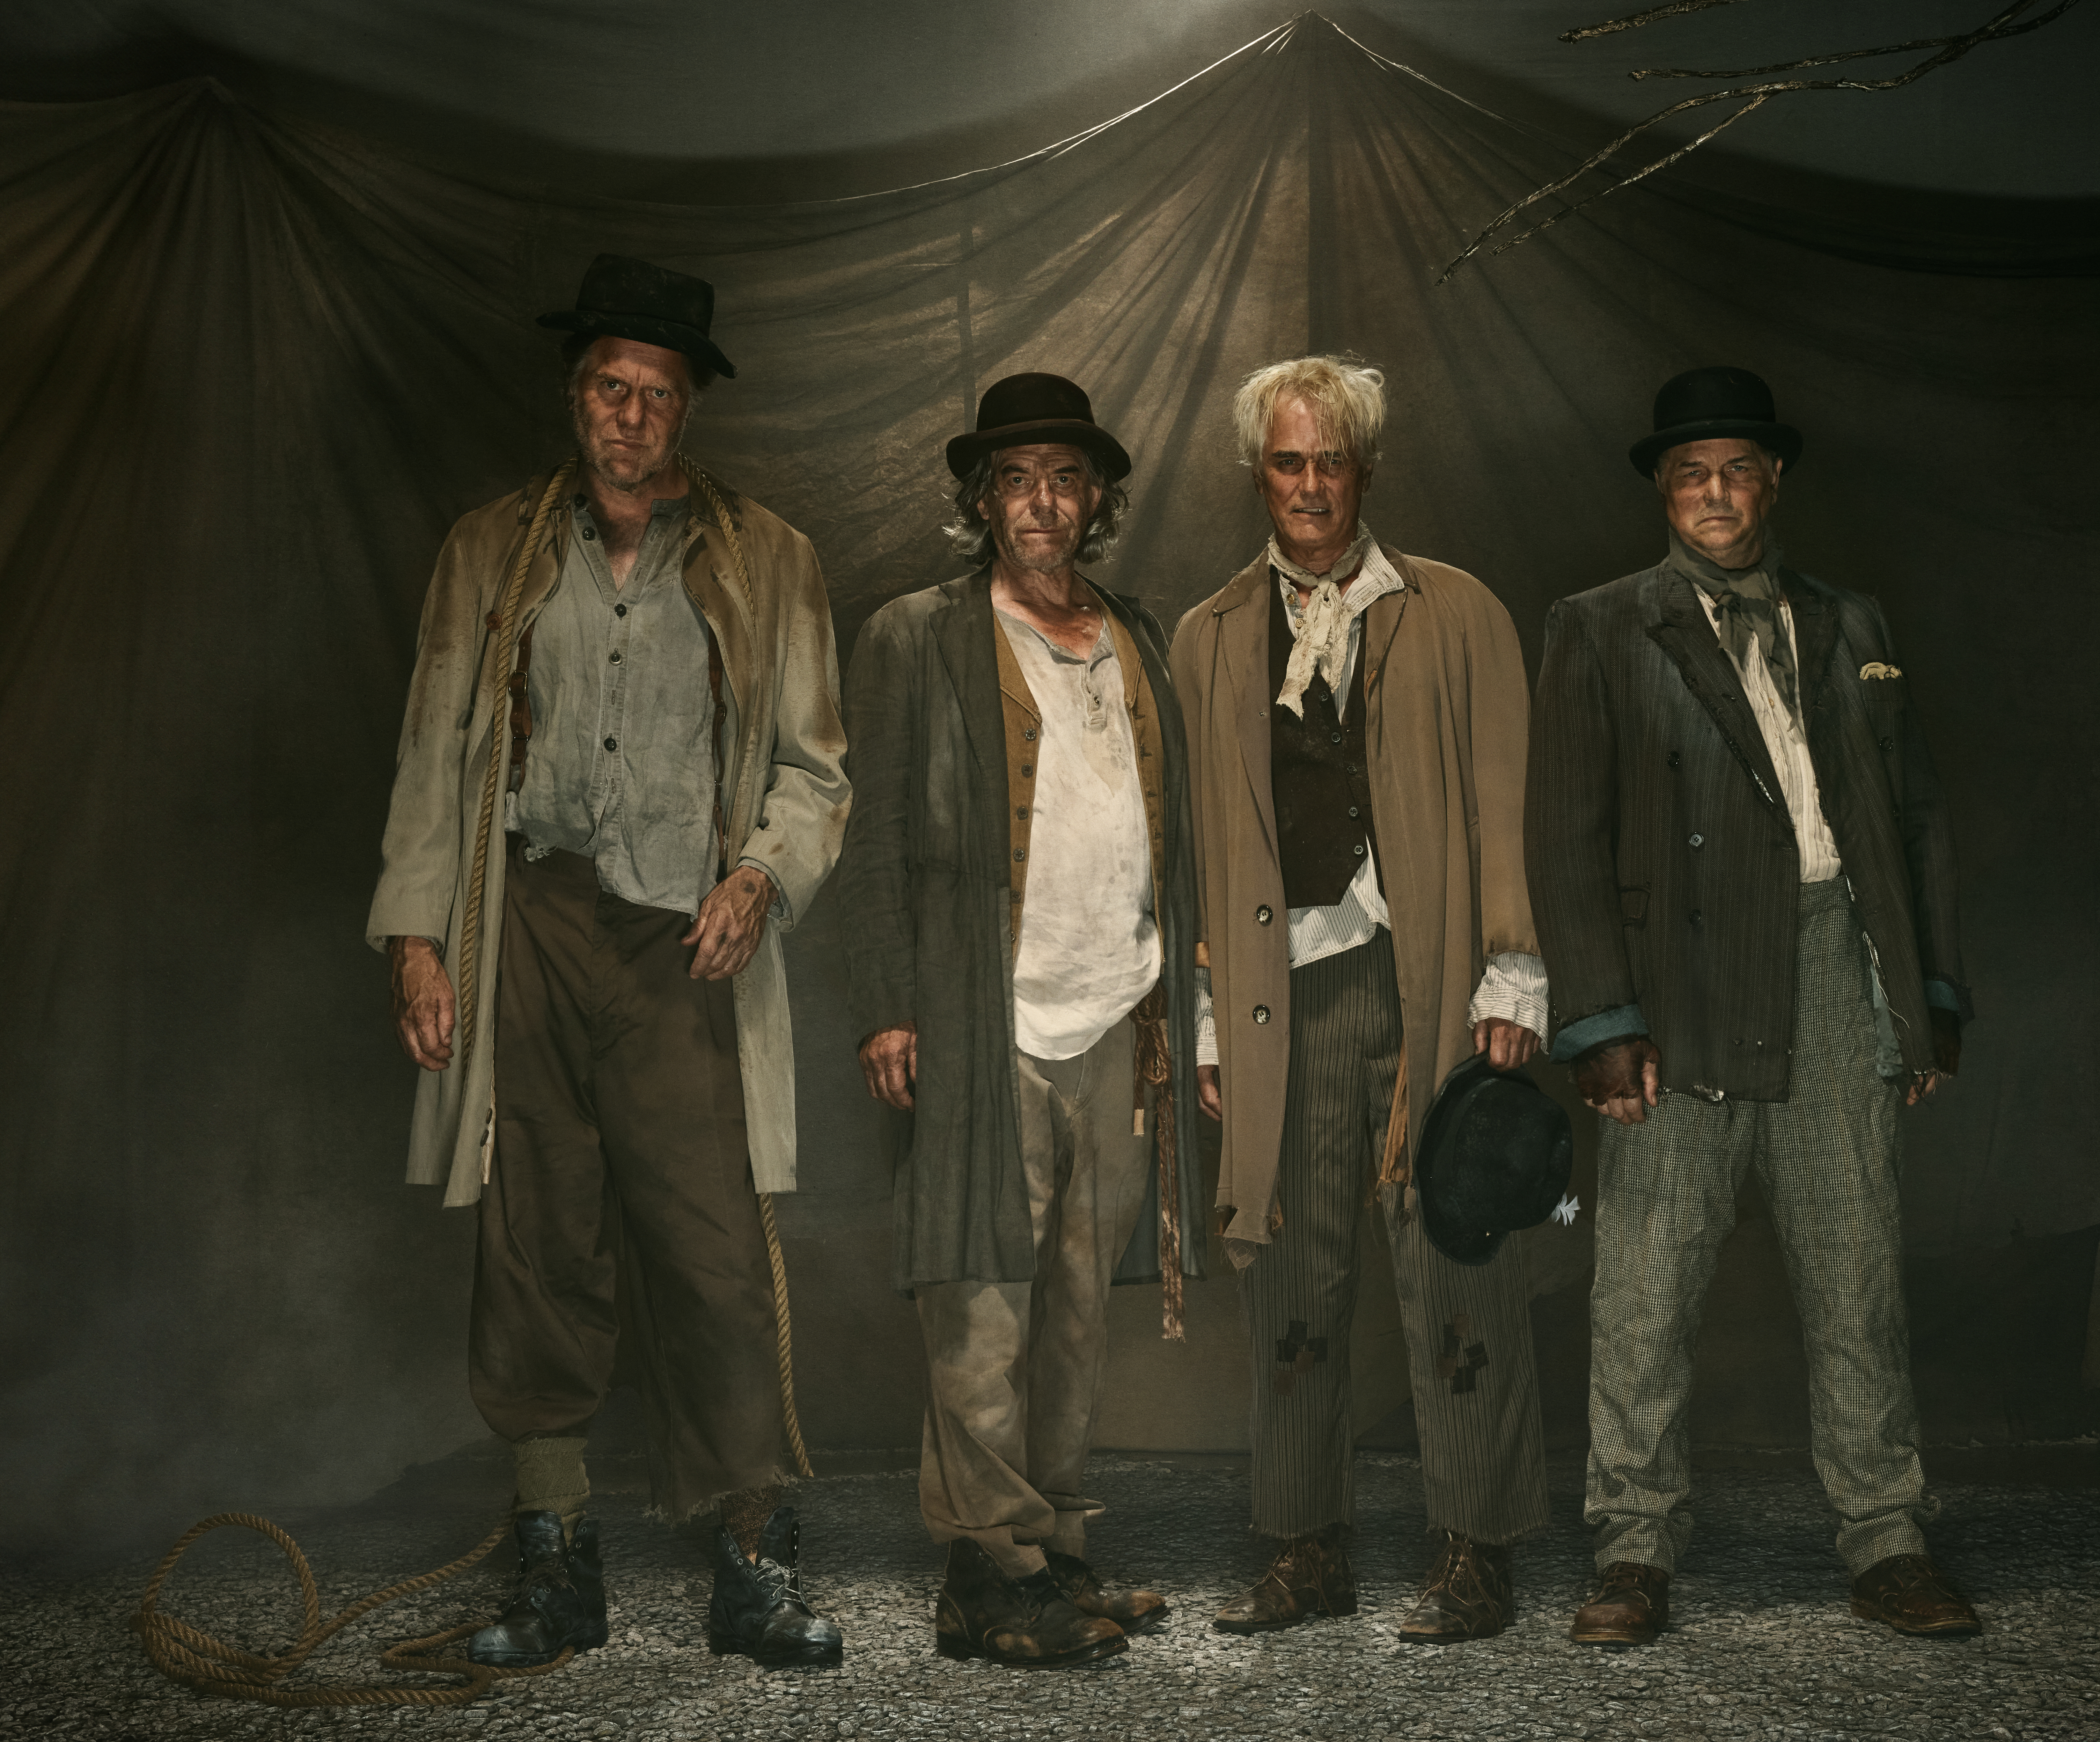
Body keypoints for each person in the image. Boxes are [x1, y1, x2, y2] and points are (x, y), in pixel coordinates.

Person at [367, 254, 851, 1669]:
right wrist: (416, 940)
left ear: (688, 408)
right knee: (537, 1238)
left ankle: (750, 1560)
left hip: (681, 939)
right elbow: (432, 747)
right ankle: (554, 1556)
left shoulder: (767, 555)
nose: (628, 416)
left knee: (709, 1252)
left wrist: (759, 874)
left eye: (654, 394)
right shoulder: (495, 548)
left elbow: (817, 769)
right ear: (573, 396)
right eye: (606, 388)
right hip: (527, 921)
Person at [1527, 366, 1981, 1647]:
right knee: (1644, 1284)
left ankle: (1886, 1536)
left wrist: (1924, 995)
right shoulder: (1599, 624)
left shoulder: (1849, 620)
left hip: (1838, 966)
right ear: (1659, 491)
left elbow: (1917, 817)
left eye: (1735, 470)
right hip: (1674, 987)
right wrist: (1603, 1022)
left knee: (1855, 1272)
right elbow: (1563, 841)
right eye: (1688, 473)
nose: (1713, 494)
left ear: (1772, 481)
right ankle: (1629, 1549)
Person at [1172, 355, 1551, 1646]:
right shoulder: (1210, 637)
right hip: (1288, 991)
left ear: (1364, 472)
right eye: (1287, 462)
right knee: (1288, 1266)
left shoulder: (1456, 615)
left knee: (1457, 1248)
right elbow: (1202, 853)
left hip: (1431, 977)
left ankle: (1474, 1549)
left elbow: (1505, 805)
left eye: (1330, 461)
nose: (1309, 486)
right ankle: (1301, 1548)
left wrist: (1511, 970)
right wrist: (1213, 1018)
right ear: (1258, 475)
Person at [841, 373, 1204, 1669]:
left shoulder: (1134, 634)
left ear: (1096, 496)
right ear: (979, 499)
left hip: (1113, 1009)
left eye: (1063, 478)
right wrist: (889, 1005)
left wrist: (1180, 1000)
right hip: (981, 1012)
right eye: (1013, 479)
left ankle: (1051, 1545)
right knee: (977, 1302)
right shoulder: (917, 635)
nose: (1040, 503)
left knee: (1068, 1305)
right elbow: (871, 831)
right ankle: (984, 1571)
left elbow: (1176, 832)